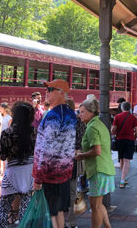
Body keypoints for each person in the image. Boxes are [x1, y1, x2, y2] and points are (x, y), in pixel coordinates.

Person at [32, 79, 77, 228]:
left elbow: (47, 150)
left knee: (51, 213)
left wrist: (38, 177)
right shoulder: (71, 114)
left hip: (50, 175)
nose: (46, 93)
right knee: (59, 212)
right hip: (64, 173)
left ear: (62, 93)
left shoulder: (52, 116)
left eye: (50, 90)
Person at [76, 95, 115, 228]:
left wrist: (81, 155)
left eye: (82, 112)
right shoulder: (98, 123)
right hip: (105, 168)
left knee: (95, 206)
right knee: (98, 204)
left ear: (91, 112)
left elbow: (96, 151)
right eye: (79, 112)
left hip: (98, 170)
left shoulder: (92, 127)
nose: (80, 115)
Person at [0, 101, 37, 228]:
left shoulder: (7, 133)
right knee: (26, 204)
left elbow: (3, 156)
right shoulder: (34, 132)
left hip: (12, 172)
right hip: (29, 172)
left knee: (4, 205)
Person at [67, 98, 87, 228]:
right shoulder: (79, 122)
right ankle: (71, 222)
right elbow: (82, 142)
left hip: (56, 165)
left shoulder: (56, 122)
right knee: (71, 193)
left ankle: (57, 221)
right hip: (72, 162)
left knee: (56, 195)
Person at [111, 101, 137, 188]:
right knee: (127, 160)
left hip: (120, 140)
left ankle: (123, 178)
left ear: (122, 108)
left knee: (121, 159)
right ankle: (122, 180)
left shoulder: (117, 117)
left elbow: (113, 130)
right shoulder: (133, 117)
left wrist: (115, 134)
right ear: (129, 108)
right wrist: (135, 137)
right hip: (130, 140)